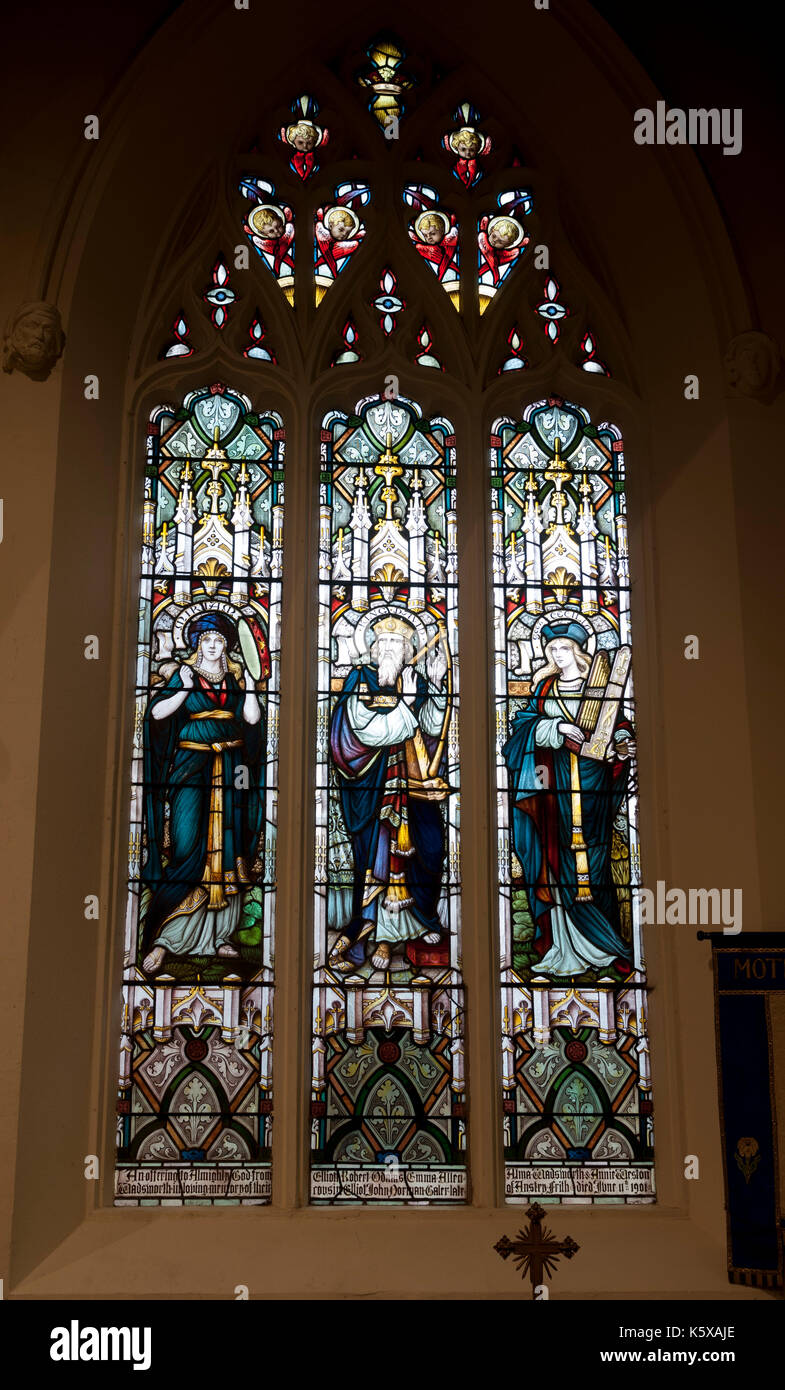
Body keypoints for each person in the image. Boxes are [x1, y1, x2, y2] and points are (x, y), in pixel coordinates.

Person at [502, 621, 635, 978]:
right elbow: (521, 732)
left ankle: (602, 946)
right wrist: (557, 728)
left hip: (594, 788)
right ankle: (562, 946)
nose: (557, 655)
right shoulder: (545, 689)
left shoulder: (601, 686)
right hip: (552, 786)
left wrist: (622, 744)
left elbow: (616, 724)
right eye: (552, 650)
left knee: (593, 859)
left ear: (577, 651)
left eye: (563, 648)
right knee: (554, 857)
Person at [141, 612, 264, 974]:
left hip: (233, 769)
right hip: (190, 770)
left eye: (219, 641)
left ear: (227, 647)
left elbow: (252, 721)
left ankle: (219, 937)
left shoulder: (235, 680)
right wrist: (181, 689)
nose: (212, 646)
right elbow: (157, 714)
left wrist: (254, 687)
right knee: (186, 846)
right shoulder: (184, 675)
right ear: (197, 644)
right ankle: (165, 940)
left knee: (232, 848)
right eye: (207, 640)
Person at [328, 614, 449, 971]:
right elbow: (361, 733)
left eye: (398, 643)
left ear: (410, 649)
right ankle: (378, 938)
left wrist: (437, 686)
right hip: (373, 788)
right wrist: (405, 703)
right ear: (373, 648)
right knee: (377, 857)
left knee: (429, 849)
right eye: (383, 642)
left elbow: (429, 727)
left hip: (414, 786)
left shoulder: (416, 680)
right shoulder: (360, 680)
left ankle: (419, 920)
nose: (390, 648)